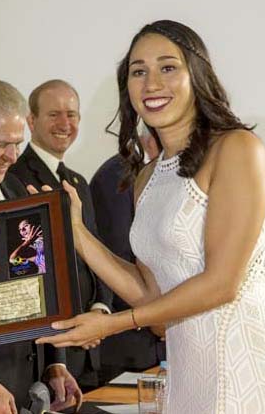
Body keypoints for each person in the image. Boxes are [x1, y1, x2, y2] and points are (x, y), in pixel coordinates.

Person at [37, 20, 265, 413]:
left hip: (248, 378)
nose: (151, 83)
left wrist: (113, 323)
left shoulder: (237, 148)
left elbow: (222, 284)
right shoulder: (148, 175)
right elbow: (152, 297)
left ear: (197, 74)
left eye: (167, 67)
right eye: (138, 71)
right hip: (187, 381)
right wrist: (77, 233)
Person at [0, 79, 82, 412]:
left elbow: (39, 284)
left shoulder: (21, 190)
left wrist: (55, 360)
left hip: (24, 388)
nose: (11, 156)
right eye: (0, 144)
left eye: (17, 144)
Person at [8, 79, 113, 389]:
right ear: (31, 121)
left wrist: (100, 311)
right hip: (50, 356)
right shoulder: (15, 179)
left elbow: (96, 254)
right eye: (54, 114)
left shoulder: (78, 181)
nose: (65, 123)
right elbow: (30, 271)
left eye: (72, 114)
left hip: (91, 347)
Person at [89, 124, 166, 383]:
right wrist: (161, 317)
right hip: (130, 347)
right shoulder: (117, 176)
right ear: (153, 139)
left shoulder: (167, 174)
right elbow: (118, 256)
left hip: (164, 334)